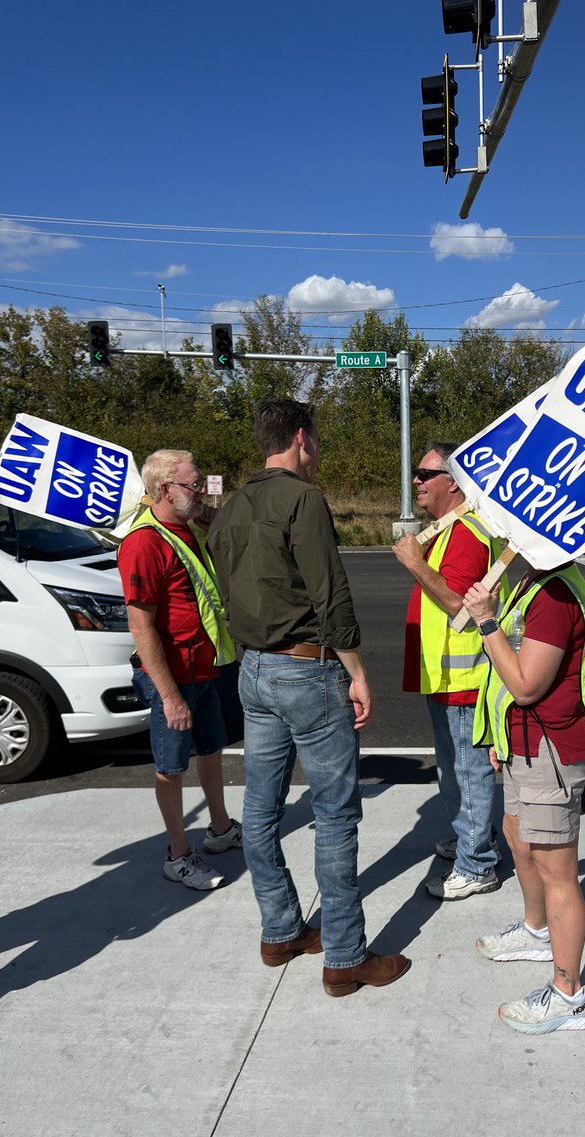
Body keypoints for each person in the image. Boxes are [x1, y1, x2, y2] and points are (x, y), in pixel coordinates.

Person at [209, 399, 410, 997]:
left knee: (262, 810)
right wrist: (358, 673)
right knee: (335, 815)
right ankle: (346, 957)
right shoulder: (303, 500)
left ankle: (280, 931)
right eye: (316, 441)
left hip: (254, 671)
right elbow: (331, 594)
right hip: (309, 671)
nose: (317, 452)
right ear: (302, 439)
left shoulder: (229, 510)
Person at [463, 558, 585, 1035]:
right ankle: (536, 931)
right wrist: (497, 732)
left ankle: (569, 996)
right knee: (518, 838)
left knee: (559, 872)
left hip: (548, 750)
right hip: (521, 743)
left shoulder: (554, 595)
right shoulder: (534, 580)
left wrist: (486, 620)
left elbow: (527, 685)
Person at [118, 450, 243, 891]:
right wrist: (168, 696)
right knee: (171, 767)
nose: (202, 492)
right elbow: (142, 626)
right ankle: (178, 853)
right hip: (173, 677)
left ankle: (220, 827)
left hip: (204, 668)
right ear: (165, 490)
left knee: (212, 749)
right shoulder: (144, 543)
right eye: (193, 485)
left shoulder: (183, 528)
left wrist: (206, 512)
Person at [393, 442, 507, 900]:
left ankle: (478, 863)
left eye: (425, 474)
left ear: (454, 483)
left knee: (467, 769)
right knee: (454, 768)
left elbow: (459, 605)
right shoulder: (447, 528)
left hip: (462, 678)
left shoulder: (464, 533)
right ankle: (471, 837)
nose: (416, 481)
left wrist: (416, 564)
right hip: (444, 675)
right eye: (417, 474)